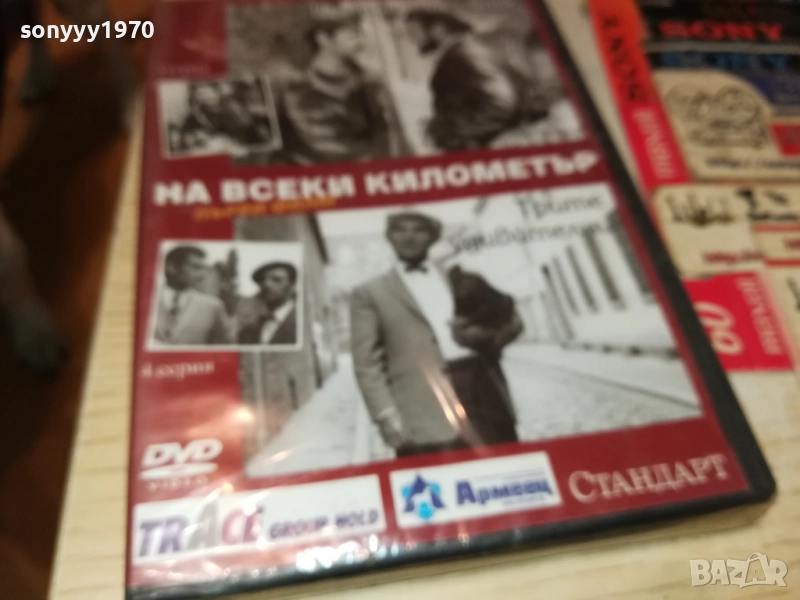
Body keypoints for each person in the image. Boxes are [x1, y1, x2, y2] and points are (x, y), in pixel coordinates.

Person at [350, 211, 523, 457]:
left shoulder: (460, 278)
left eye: (419, 230)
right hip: (422, 404)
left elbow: (511, 321)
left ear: (432, 237)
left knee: (502, 464)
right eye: (400, 229)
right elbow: (366, 363)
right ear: (389, 236)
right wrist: (385, 415)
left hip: (481, 389)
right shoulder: (369, 293)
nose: (409, 237)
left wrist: (486, 340)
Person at [270, 8, 407, 164]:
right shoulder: (290, 89)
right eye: (352, 35)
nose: (361, 41)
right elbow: (278, 148)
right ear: (324, 39)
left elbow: (391, 138)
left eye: (360, 34)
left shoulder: (372, 85)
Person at [404, 7, 550, 152]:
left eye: (414, 32)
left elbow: (501, 104)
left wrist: (444, 130)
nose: (412, 40)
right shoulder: (465, 51)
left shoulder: (461, 55)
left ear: (438, 29)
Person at [152, 245, 230, 345]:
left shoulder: (213, 307)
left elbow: (221, 346)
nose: (202, 274)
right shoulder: (145, 300)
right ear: (171, 267)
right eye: (196, 267)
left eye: (205, 269)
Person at [238, 262, 298, 345]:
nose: (266, 284)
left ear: (292, 285)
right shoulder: (248, 332)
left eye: (276, 280)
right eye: (262, 280)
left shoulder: (301, 324)